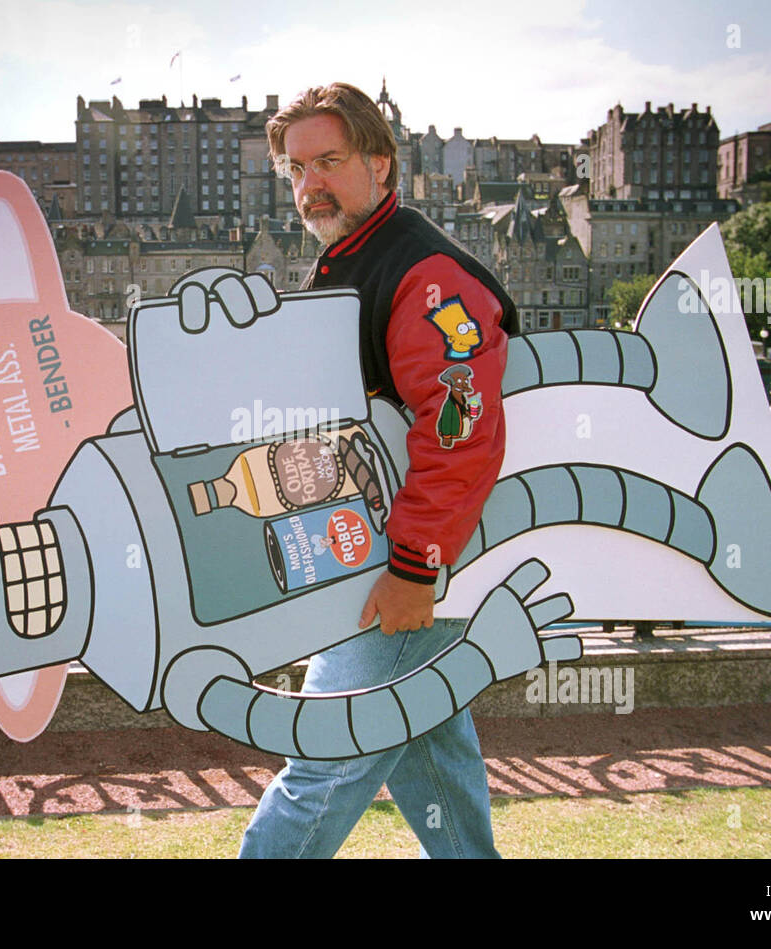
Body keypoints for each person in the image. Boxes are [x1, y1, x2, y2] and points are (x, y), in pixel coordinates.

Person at [238, 82, 518, 859]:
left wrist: (413, 567)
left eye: (329, 160)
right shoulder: (355, 260)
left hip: (398, 568)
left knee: (326, 758)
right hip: (376, 560)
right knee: (432, 754)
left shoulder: (424, 273)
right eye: (296, 169)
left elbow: (460, 429)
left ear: (382, 164)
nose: (309, 184)